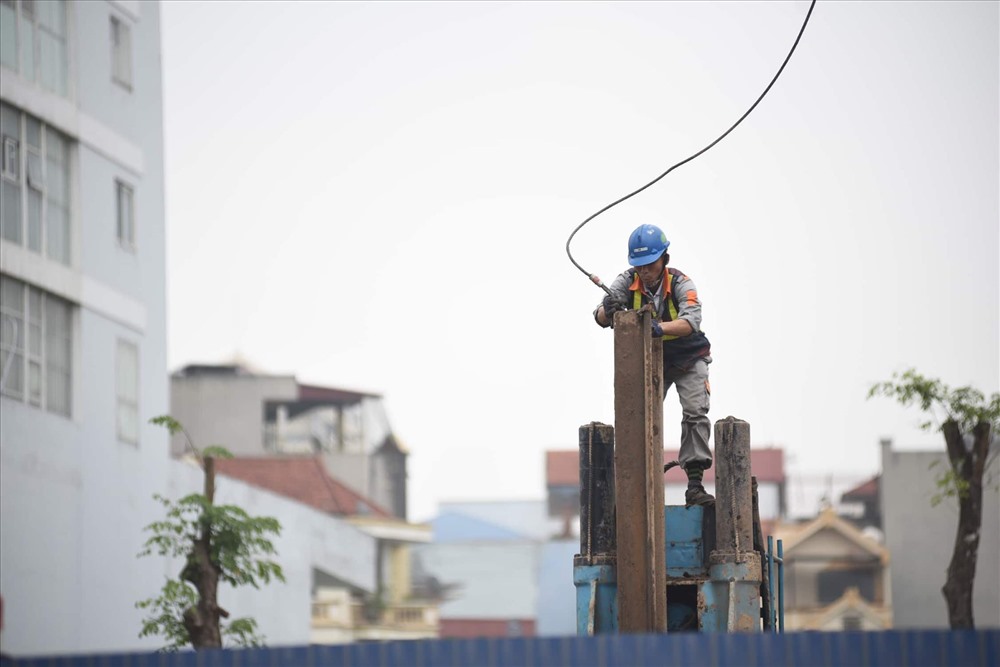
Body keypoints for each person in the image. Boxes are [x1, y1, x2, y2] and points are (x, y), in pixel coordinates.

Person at [593, 223, 714, 507]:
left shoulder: (682, 283)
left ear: (664, 259)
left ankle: (694, 485)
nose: (644, 272)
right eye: (639, 266)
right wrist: (606, 311)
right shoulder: (626, 281)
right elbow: (599, 316)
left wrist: (659, 328)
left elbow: (691, 322)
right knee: (637, 416)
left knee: (695, 412)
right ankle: (635, 483)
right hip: (650, 358)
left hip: (687, 357)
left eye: (649, 264)